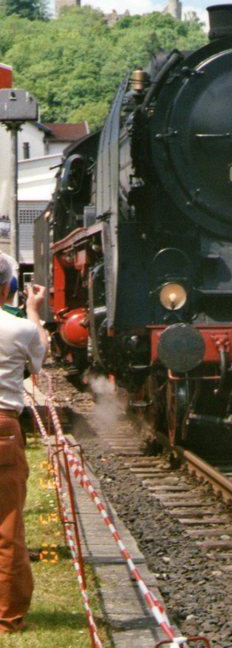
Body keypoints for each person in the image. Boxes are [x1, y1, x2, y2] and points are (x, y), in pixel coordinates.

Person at [0, 253, 48, 633]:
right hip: (3, 427)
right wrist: (32, 310)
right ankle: (7, 618)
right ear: (8, 288)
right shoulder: (21, 330)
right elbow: (39, 363)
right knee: (7, 529)